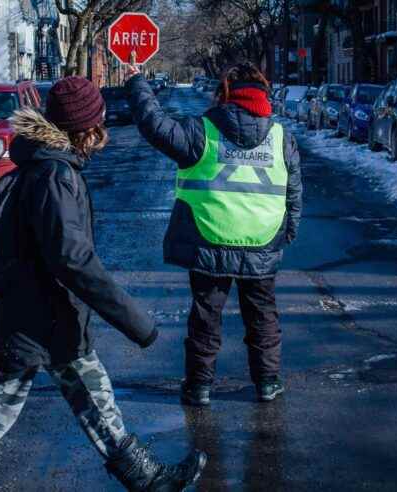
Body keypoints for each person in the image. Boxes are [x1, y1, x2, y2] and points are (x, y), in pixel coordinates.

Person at [0, 76, 206, 492]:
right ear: (86, 129)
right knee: (11, 403)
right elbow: (72, 259)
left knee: (85, 397)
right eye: (100, 123)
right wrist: (135, 321)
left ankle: (149, 481)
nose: (105, 130)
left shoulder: (48, 165)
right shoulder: (55, 175)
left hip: (40, 311)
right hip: (42, 313)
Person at [125, 62, 302, 406]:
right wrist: (287, 233)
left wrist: (137, 83)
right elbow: (293, 192)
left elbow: (154, 125)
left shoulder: (201, 131)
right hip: (262, 241)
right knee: (263, 316)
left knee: (206, 317)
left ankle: (199, 387)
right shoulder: (282, 138)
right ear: (264, 95)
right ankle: (266, 383)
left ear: (226, 94)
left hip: (209, 238)